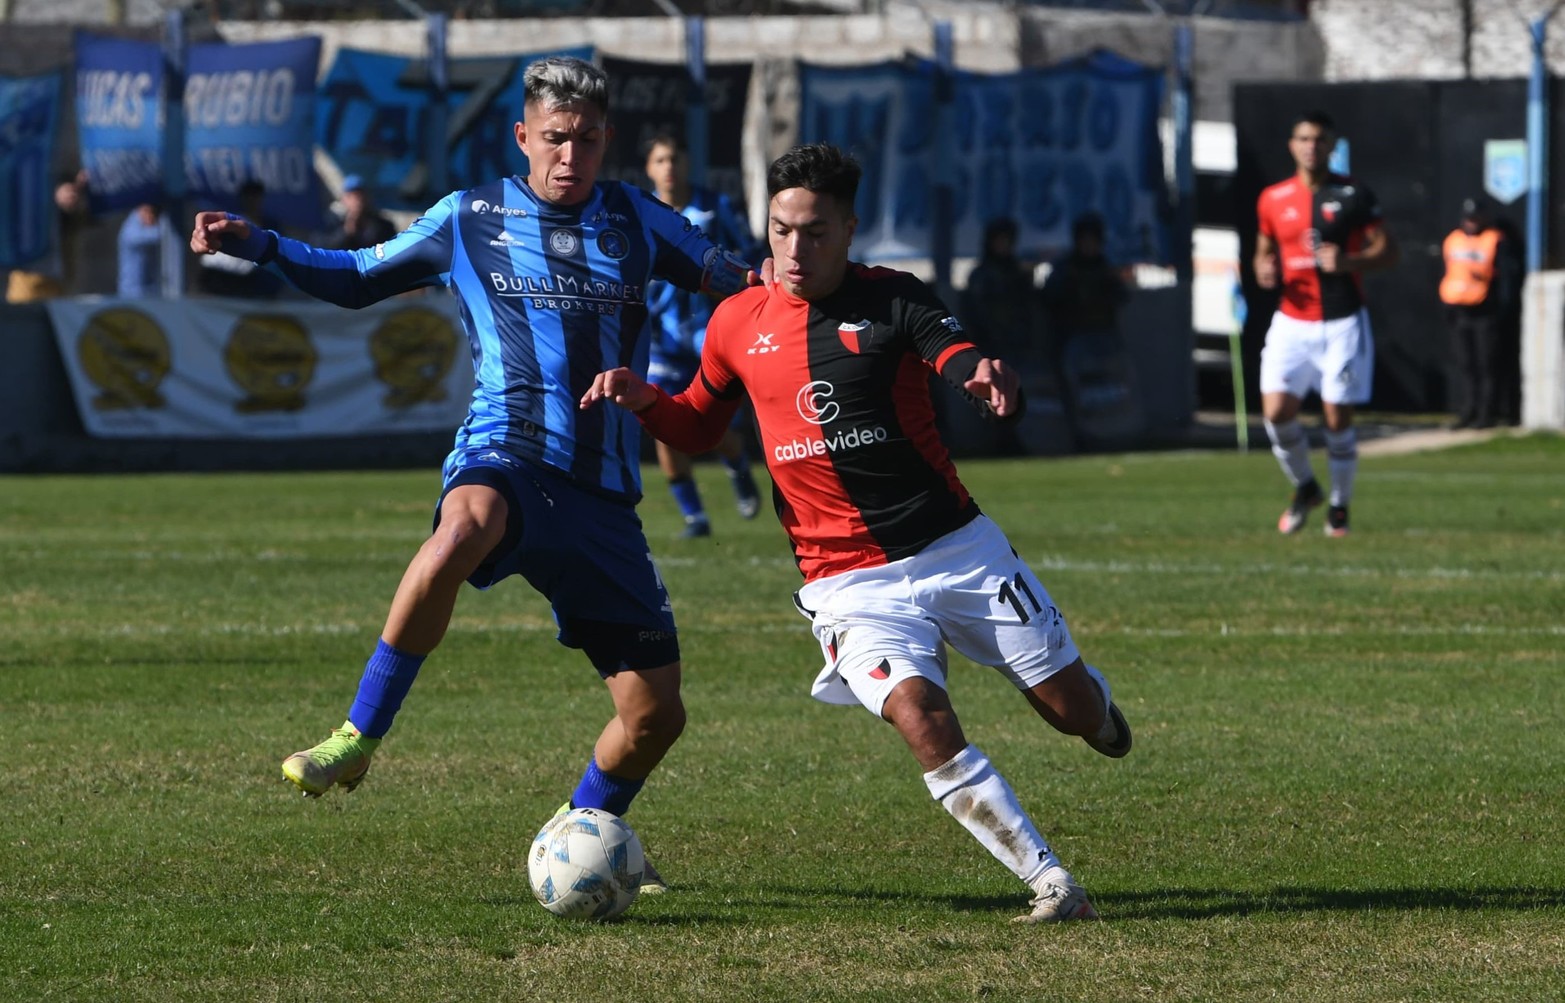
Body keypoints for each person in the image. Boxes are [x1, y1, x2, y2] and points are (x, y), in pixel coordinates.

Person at [190, 56, 758, 891]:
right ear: (524, 136)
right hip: (508, 453)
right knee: (464, 525)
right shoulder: (471, 217)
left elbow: (741, 288)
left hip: (602, 494)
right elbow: (356, 277)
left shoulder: (638, 220)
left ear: (606, 143)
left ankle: (582, 827)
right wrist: (266, 246)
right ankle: (357, 736)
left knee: (654, 715)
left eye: (589, 141)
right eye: (556, 139)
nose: (571, 156)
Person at [582, 143, 1131, 924]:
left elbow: (952, 349)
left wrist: (978, 371)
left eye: (813, 233)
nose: (793, 251)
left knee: (1071, 711)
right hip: (843, 579)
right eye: (779, 231)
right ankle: (1049, 880)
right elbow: (700, 426)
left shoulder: (895, 297)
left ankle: (1099, 711)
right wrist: (644, 400)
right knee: (918, 713)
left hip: (955, 548)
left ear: (848, 228)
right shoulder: (738, 320)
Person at [1253, 110, 1398, 537]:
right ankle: (1306, 487)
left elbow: (1390, 253)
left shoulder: (1353, 194)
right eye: (1303, 138)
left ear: (1331, 146)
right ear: (1291, 145)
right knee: (1276, 413)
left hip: (1341, 320)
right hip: (1291, 321)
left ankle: (1339, 506)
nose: (1310, 146)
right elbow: (1263, 251)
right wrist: (1263, 268)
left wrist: (1350, 261)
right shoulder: (1273, 198)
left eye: (1319, 139)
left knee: (1337, 417)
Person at [641, 132, 763, 537]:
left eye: (675, 158)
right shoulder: (638, 212)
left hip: (710, 335)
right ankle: (695, 517)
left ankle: (737, 462)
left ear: (688, 163)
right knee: (662, 423)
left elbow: (747, 254)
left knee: (705, 426)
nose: (669, 167)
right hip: (660, 339)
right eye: (660, 160)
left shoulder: (715, 207)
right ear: (649, 169)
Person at [1038, 212, 1137, 449]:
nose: (1089, 246)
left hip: (1104, 338)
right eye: (1085, 240)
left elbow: (1122, 295)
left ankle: (1114, 433)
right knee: (1079, 393)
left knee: (1111, 390)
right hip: (1074, 340)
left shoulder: (1104, 267)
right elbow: (1048, 298)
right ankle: (1082, 436)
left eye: (1093, 240)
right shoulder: (1065, 269)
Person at [1439, 197, 1518, 429]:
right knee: (1466, 365)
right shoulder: (1453, 240)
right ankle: (1468, 411)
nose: (1471, 222)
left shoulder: (1494, 240)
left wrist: (1503, 308)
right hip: (1459, 311)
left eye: (1476, 218)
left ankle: (1487, 414)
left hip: (1485, 312)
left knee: (1487, 366)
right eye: (1468, 218)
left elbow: (1506, 279)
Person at [6, 171, 89, 303]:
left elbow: (83, 216)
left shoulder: (71, 221)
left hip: (60, 286)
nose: (71, 196)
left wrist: (82, 187)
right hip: (30, 287)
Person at [196, 179, 284, 300]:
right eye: (249, 196)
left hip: (251, 283)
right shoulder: (229, 222)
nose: (252, 200)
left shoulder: (270, 226)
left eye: (256, 195)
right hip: (220, 276)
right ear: (242, 198)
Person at [323, 174, 398, 252]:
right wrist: (346, 232)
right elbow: (326, 250)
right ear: (344, 199)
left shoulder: (384, 225)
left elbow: (392, 250)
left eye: (361, 195)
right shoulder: (333, 223)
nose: (358, 200)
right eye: (352, 196)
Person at [116, 203, 172, 299]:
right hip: (131, 293)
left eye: (154, 213)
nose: (151, 217)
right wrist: (167, 220)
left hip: (152, 291)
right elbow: (157, 236)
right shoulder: (130, 228)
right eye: (147, 212)